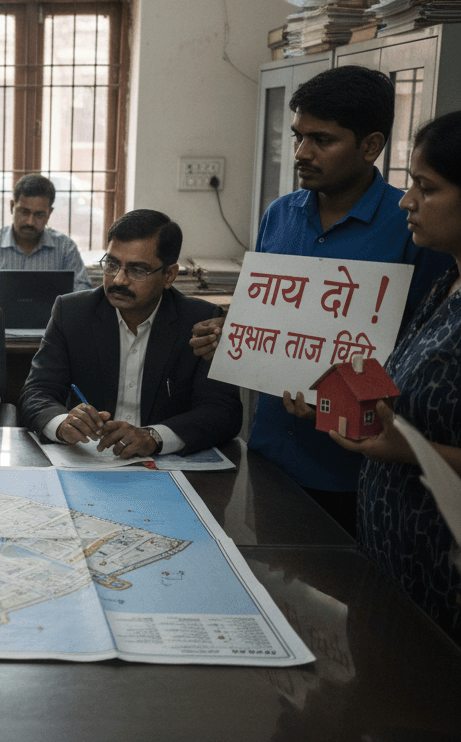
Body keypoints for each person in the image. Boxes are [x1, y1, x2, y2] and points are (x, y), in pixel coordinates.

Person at [190, 65, 451, 535]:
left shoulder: (412, 228)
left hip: (359, 471)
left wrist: (342, 394)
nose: (301, 153)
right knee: (273, 572)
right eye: (298, 136)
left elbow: (422, 357)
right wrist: (235, 333)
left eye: (321, 140)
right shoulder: (280, 215)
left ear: (370, 145)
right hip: (271, 452)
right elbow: (274, 316)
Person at [296, 112, 461, 643]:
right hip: (395, 556)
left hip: (446, 577)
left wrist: (407, 449)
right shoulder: (447, 284)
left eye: (426, 188)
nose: (407, 201)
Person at [20, 209, 241, 456]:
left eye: (137, 270)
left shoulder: (201, 322)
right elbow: (36, 393)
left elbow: (223, 412)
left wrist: (155, 436)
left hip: (166, 463)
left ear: (169, 275)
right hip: (89, 458)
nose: (118, 280)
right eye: (112, 264)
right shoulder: (72, 313)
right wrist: (62, 424)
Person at [0, 173, 91, 295]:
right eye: (24, 212)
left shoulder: (65, 248)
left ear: (49, 213)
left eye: (39, 214)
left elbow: (83, 292)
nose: (30, 222)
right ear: (12, 206)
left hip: (51, 318)